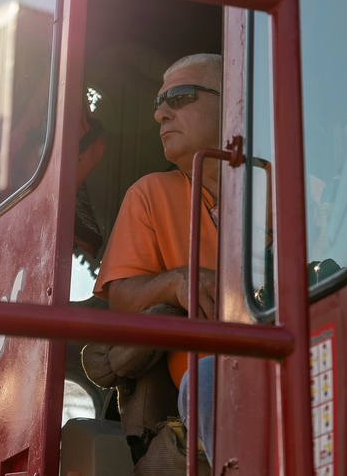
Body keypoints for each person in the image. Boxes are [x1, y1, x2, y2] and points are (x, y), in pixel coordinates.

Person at [93, 53, 222, 466]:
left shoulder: (287, 178)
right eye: (157, 104)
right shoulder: (148, 194)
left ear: (234, 98)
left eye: (180, 97)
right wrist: (174, 282)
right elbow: (121, 299)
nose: (161, 115)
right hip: (215, 371)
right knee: (209, 382)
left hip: (296, 345)